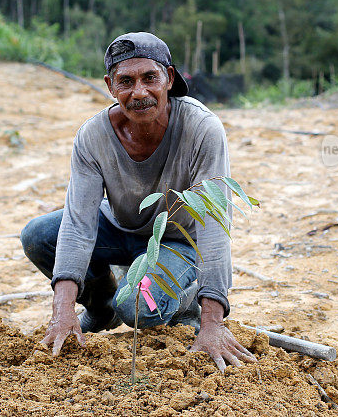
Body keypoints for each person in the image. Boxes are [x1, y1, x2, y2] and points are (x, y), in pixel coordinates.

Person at [20, 32, 255, 372]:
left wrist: (213, 320)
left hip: (176, 240)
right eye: (125, 81)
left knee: (135, 306)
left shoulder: (202, 129)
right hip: (118, 227)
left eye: (150, 78)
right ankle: (100, 309)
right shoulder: (93, 136)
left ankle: (185, 304)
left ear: (170, 79)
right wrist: (62, 310)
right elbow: (78, 223)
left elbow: (214, 226)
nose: (139, 92)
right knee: (38, 235)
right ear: (110, 86)